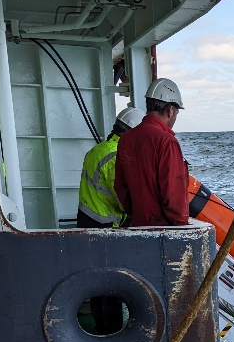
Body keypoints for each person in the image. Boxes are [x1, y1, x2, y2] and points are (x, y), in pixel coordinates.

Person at [116, 78, 190, 227]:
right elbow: (174, 195)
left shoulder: (125, 139)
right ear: (170, 111)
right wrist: (181, 226)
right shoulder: (167, 142)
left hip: (137, 226)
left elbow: (120, 188)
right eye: (176, 113)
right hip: (163, 231)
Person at [77, 106, 144, 229]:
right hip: (103, 224)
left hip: (87, 218)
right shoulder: (115, 157)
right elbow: (124, 201)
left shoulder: (99, 149)